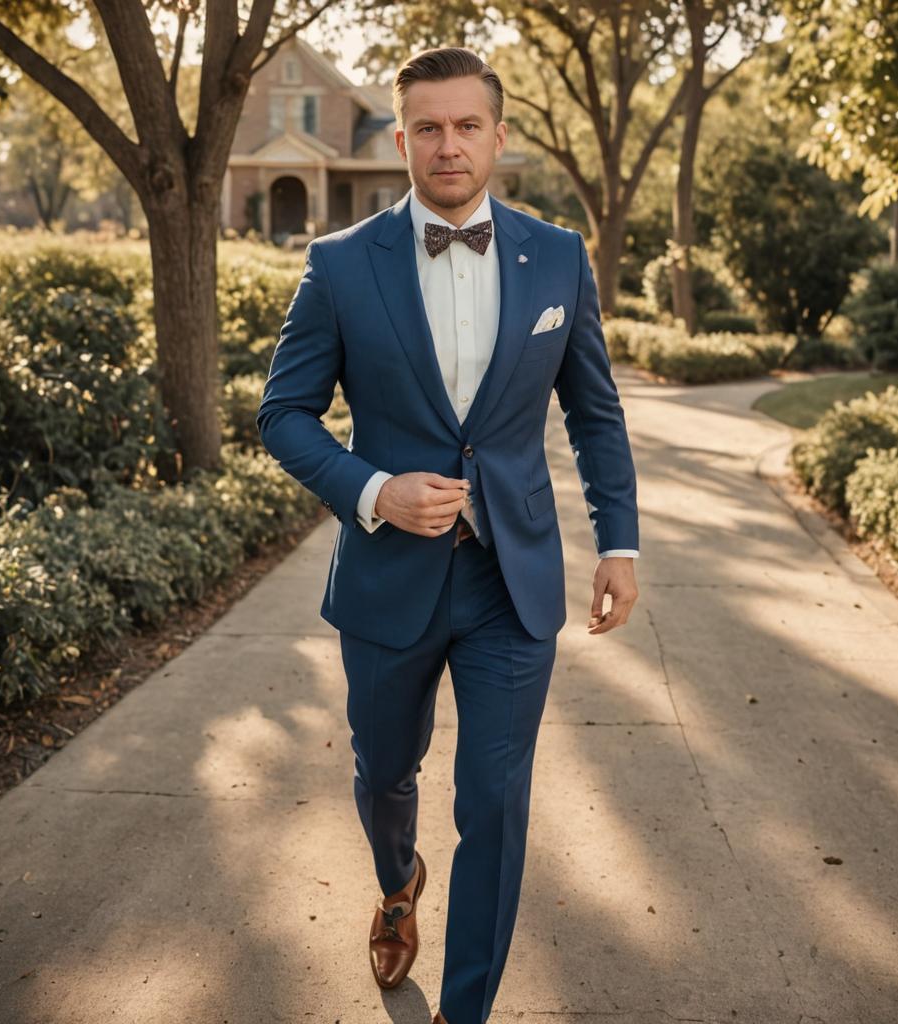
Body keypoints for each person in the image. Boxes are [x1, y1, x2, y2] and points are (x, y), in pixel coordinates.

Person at [257, 45, 639, 1024]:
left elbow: (593, 410)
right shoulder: (340, 265)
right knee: (384, 769)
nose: (448, 144)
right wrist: (374, 489)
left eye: (467, 124)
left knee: (497, 801)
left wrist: (619, 540)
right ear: (399, 136)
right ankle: (396, 880)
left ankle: (461, 1011)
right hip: (389, 578)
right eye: (427, 125)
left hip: (512, 578)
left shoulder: (557, 256)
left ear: (498, 135)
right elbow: (285, 414)